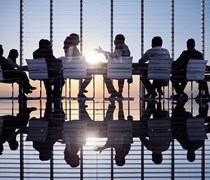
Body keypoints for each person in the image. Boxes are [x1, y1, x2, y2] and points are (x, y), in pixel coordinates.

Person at [95, 34, 131, 98]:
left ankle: (112, 92)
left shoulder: (119, 46)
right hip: (124, 71)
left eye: (115, 39)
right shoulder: (126, 47)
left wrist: (103, 52)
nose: (114, 41)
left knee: (105, 74)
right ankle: (120, 93)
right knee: (121, 74)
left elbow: (116, 55)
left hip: (117, 70)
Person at [63, 33, 92, 98]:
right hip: (75, 71)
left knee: (86, 72)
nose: (79, 41)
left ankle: (81, 90)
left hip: (69, 71)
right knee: (89, 76)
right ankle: (81, 91)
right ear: (73, 40)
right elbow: (79, 60)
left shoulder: (68, 48)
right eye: (78, 39)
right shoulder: (73, 48)